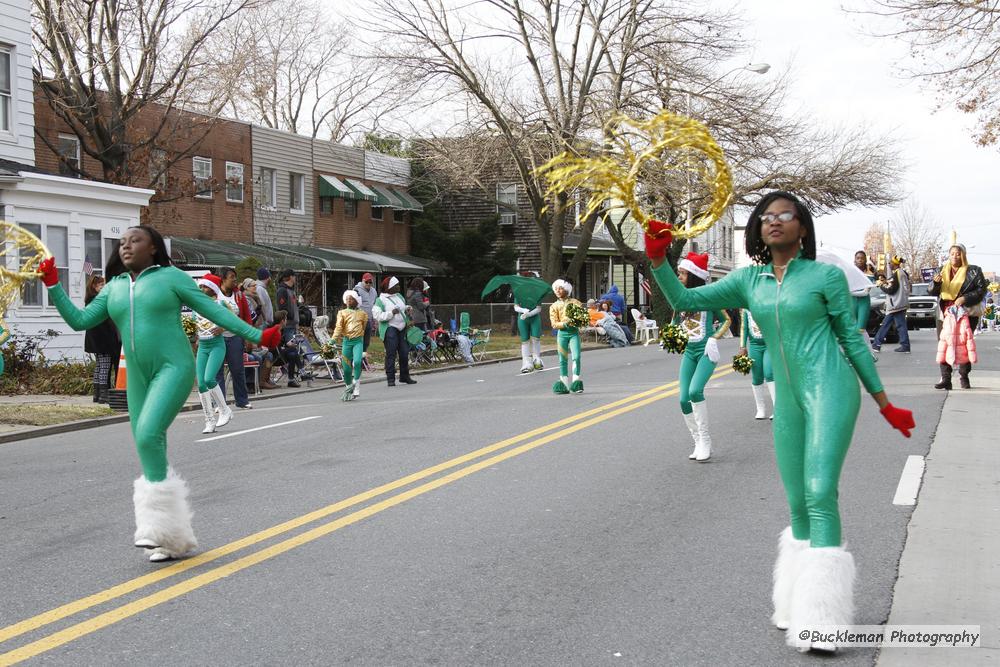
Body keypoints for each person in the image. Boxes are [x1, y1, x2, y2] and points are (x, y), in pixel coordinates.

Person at [644, 191, 914, 653]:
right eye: (766, 217)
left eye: (785, 215)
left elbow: (851, 336)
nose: (774, 222)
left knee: (819, 492)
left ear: (802, 227)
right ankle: (794, 603)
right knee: (796, 503)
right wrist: (657, 257)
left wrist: (884, 402)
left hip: (831, 388)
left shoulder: (824, 276)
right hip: (788, 398)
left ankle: (823, 622)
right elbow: (683, 297)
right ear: (757, 230)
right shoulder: (750, 281)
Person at [39, 226, 279, 562]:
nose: (126, 246)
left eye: (134, 241)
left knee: (150, 434)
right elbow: (80, 321)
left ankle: (156, 529)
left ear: (153, 248)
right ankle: (173, 539)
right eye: (121, 242)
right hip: (137, 374)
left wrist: (258, 335)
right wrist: (52, 284)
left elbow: (215, 312)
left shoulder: (171, 277)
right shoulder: (115, 288)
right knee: (146, 443)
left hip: (173, 367)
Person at [670, 252, 731, 461]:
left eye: (683, 274)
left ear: (694, 276)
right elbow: (675, 323)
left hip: (706, 351)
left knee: (695, 391)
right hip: (689, 351)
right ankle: (696, 439)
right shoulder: (681, 299)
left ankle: (705, 439)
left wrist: (714, 338)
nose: (679, 277)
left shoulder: (708, 296)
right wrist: (670, 335)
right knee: (683, 399)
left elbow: (727, 320)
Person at [929, 244, 988, 390]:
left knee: (964, 343)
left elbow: (982, 290)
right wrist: (936, 283)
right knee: (944, 343)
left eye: (958, 254)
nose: (955, 256)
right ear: (948, 255)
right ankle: (946, 379)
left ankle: (964, 376)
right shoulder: (941, 270)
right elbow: (932, 291)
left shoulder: (973, 271)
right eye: (952, 253)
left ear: (964, 255)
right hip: (945, 313)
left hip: (965, 313)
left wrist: (965, 298)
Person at [193, 274, 234, 433]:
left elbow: (234, 321)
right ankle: (209, 421)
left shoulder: (221, 303)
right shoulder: (197, 305)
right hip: (202, 346)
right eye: (201, 286)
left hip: (217, 345)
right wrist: (194, 337)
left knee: (209, 378)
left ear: (214, 288)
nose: (202, 289)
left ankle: (224, 410)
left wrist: (223, 328)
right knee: (201, 384)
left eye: (205, 287)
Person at [213, 267, 254, 410]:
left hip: (235, 337)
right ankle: (220, 403)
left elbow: (247, 318)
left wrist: (248, 337)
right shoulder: (215, 295)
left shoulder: (239, 296)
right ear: (223, 279)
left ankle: (242, 400)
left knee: (237, 370)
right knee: (217, 372)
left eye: (235, 277)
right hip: (217, 338)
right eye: (232, 277)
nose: (235, 280)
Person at [373, 276, 417, 386]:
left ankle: (404, 376)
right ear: (389, 287)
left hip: (402, 327)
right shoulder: (380, 300)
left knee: (404, 352)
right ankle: (390, 378)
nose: (398, 287)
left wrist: (407, 308)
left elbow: (402, 308)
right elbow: (378, 316)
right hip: (390, 328)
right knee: (391, 353)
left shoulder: (399, 296)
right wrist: (391, 313)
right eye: (396, 285)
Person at [83, 275, 120, 404]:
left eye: (104, 285)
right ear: (94, 286)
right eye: (100, 285)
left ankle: (97, 394)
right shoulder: (99, 300)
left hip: (94, 338)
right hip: (103, 338)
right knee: (104, 366)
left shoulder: (89, 300)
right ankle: (104, 395)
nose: (103, 287)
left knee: (99, 366)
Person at [548, 279, 584, 394]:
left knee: (576, 357)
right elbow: (554, 323)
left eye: (560, 288)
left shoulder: (576, 303)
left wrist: (575, 321)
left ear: (567, 290)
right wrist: (564, 324)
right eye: (556, 289)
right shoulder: (554, 306)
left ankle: (576, 382)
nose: (558, 291)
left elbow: (582, 319)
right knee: (562, 359)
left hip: (574, 334)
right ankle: (563, 383)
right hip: (562, 334)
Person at [738, 308, 773, 420]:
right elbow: (744, 327)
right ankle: (760, 408)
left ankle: (777, 408)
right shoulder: (745, 307)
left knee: (769, 373)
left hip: (770, 344)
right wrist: (742, 346)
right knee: (757, 377)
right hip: (754, 345)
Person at [333, 289, 368, 401]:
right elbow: (339, 327)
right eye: (347, 299)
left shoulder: (363, 314)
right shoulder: (342, 313)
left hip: (358, 342)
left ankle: (356, 385)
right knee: (347, 368)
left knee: (357, 362)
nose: (349, 301)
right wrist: (333, 339)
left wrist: (362, 341)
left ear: (356, 301)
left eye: (351, 299)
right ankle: (349, 387)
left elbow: (363, 328)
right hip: (347, 343)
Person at [871, 255, 911, 353]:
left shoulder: (897, 274)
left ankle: (876, 344)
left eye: (890, 263)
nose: (889, 264)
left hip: (895, 305)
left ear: (894, 264)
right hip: (900, 303)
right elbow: (894, 285)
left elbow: (891, 290)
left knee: (886, 324)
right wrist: (886, 281)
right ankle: (905, 346)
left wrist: (881, 285)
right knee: (900, 325)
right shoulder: (902, 273)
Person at [275, 269, 301, 386]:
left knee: (294, 351)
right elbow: (282, 308)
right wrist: (289, 316)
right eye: (294, 277)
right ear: (291, 277)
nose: (295, 279)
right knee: (292, 351)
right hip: (287, 326)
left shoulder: (291, 291)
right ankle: (297, 374)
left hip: (293, 325)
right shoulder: (282, 290)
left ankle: (295, 375)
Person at [353, 272, 378, 353]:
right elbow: (353, 305)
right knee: (358, 340)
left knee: (366, 342)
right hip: (359, 320)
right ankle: (356, 359)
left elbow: (375, 304)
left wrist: (375, 319)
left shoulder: (374, 291)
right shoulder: (356, 290)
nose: (368, 284)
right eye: (366, 282)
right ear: (362, 281)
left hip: (369, 319)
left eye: (370, 282)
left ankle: (363, 359)